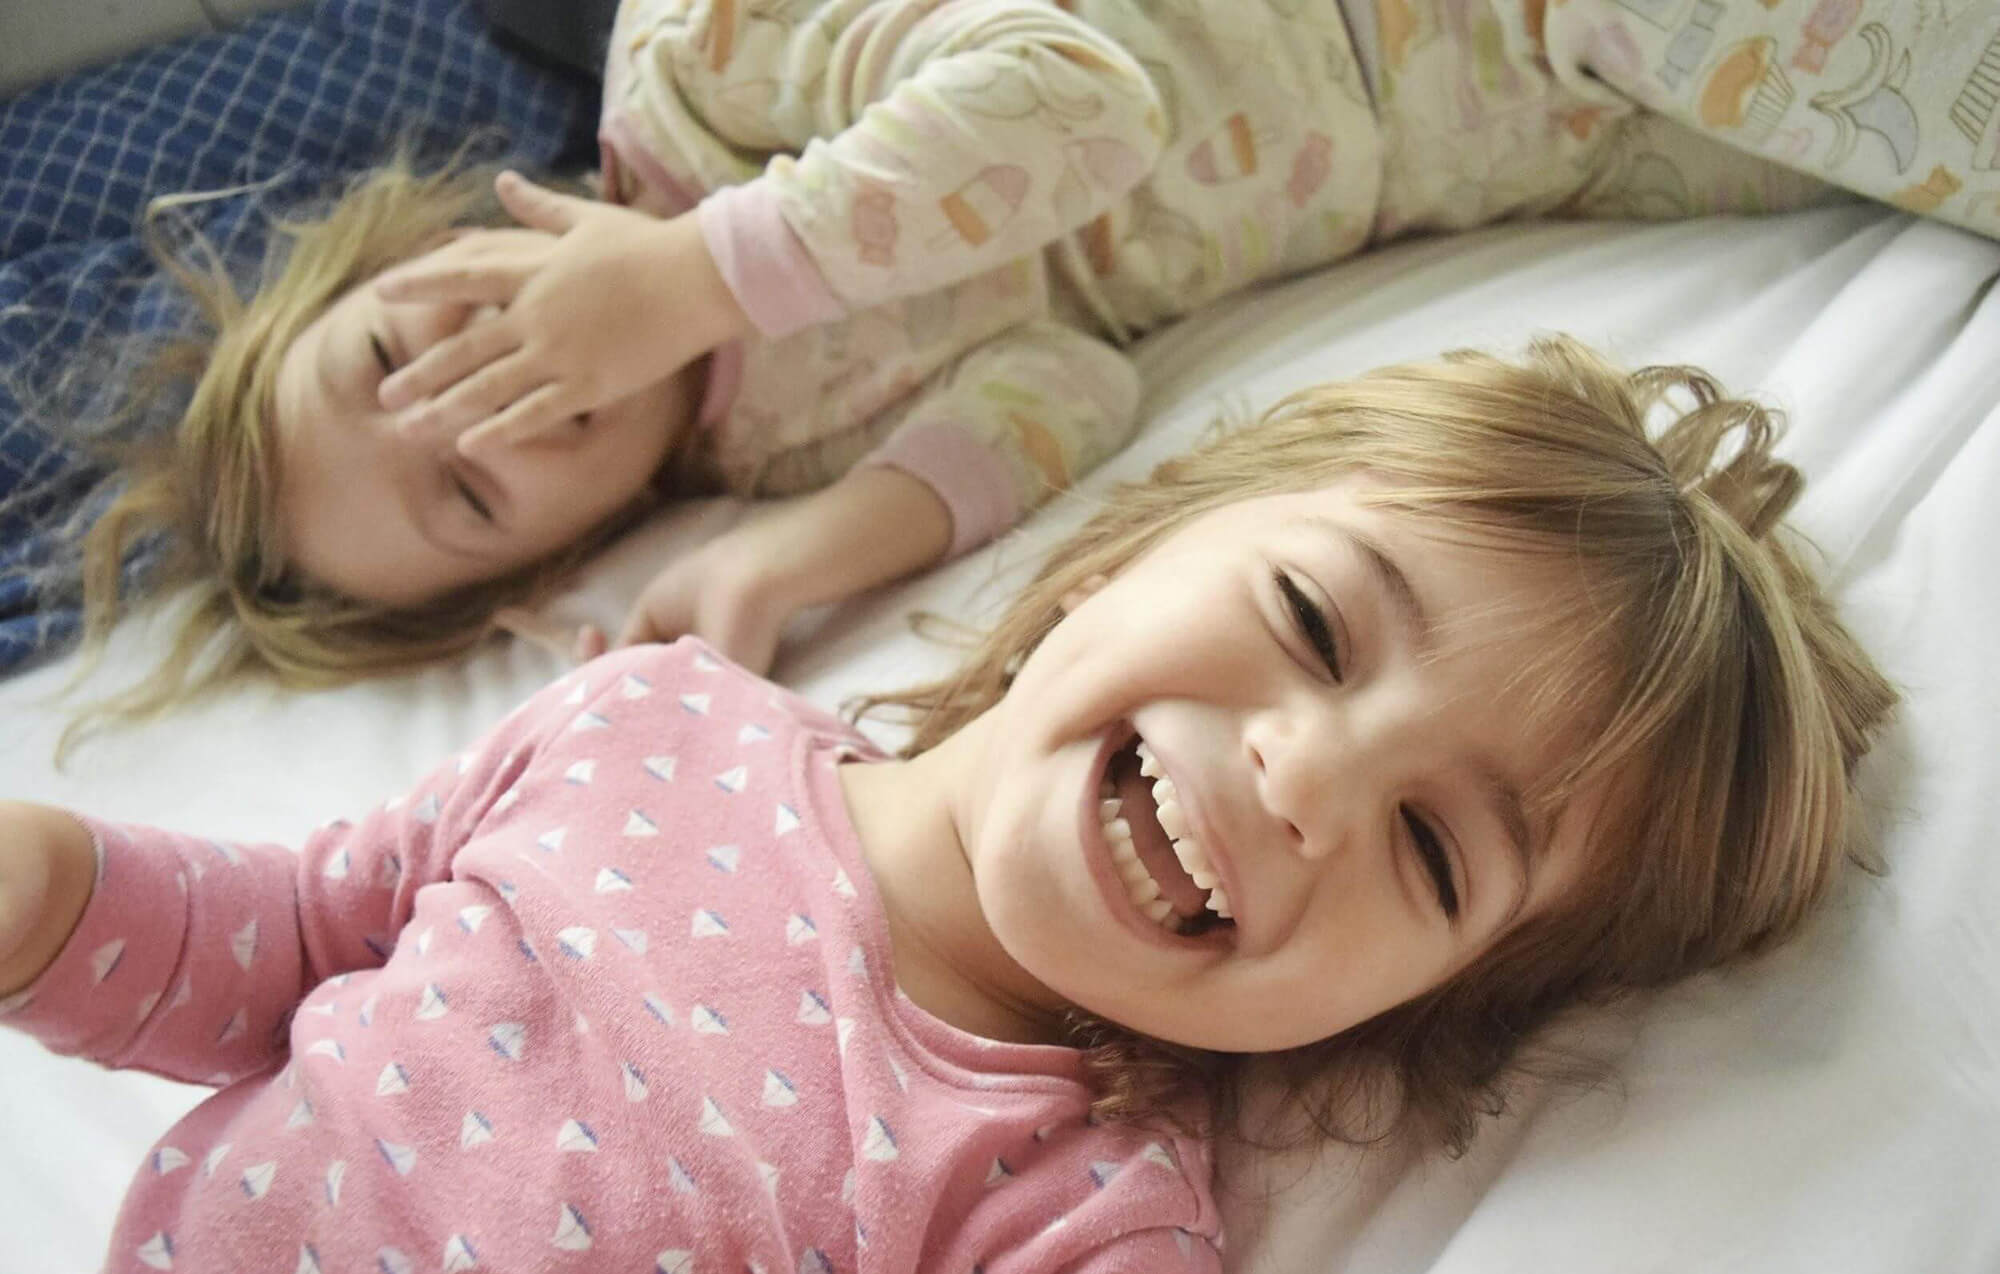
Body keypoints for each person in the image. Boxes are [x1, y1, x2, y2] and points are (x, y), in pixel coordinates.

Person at [0, 339, 1896, 1274]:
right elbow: (290, 944)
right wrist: (50, 895)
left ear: (1429, 1011)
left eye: (1433, 853)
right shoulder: (653, 720)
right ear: (1133, 541)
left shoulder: (1079, 1230)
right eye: (1316, 625)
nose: (1312, 779)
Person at [20, 0, 1985, 735]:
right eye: (465, 488)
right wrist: (791, 565)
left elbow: (1078, 94)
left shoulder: (694, 73)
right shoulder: (774, 447)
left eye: (395, 356)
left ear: (415, 243)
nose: (480, 402)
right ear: (551, 549)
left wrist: (703, 269)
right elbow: (1066, 387)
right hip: (1504, 147)